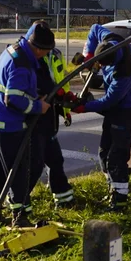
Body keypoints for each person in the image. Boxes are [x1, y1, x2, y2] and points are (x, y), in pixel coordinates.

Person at [0, 22, 54, 228]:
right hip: (9, 125)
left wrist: (32, 95)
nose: (45, 56)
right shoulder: (22, 64)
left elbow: (13, 88)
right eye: (46, 52)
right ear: (39, 49)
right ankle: (19, 216)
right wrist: (37, 106)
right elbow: (13, 99)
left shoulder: (13, 50)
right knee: (18, 172)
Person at [72, 24, 131, 211]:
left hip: (125, 112)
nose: (100, 67)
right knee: (104, 153)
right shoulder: (110, 39)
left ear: (111, 62)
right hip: (115, 109)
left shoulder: (124, 73)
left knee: (116, 158)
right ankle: (112, 187)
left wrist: (83, 107)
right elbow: (94, 28)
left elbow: (108, 102)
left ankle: (119, 201)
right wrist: (88, 56)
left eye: (102, 65)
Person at [27, 21, 76, 209]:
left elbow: (60, 80)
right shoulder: (28, 56)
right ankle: (18, 199)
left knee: (55, 158)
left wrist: (65, 105)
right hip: (35, 115)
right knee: (35, 163)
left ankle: (63, 197)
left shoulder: (53, 54)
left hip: (50, 113)